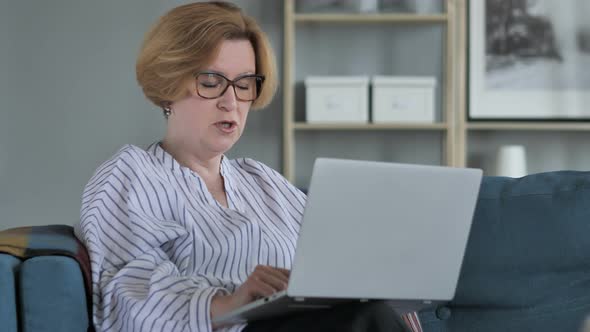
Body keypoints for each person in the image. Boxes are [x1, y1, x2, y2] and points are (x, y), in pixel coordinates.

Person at [75, 2, 416, 331]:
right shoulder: (133, 173)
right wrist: (228, 303)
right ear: (169, 86)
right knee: (364, 321)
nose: (231, 102)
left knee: (371, 314)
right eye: (211, 82)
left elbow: (332, 264)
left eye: (243, 84)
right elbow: (125, 292)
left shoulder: (262, 181)